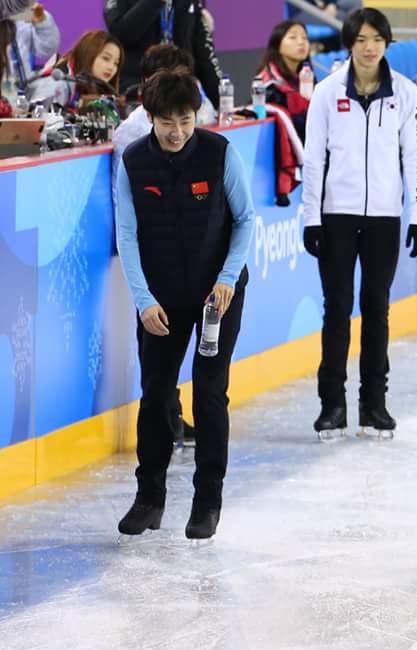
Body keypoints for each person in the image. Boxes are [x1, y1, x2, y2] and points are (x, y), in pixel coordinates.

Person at [114, 68, 253, 539]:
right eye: (167, 122)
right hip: (161, 298)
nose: (177, 132)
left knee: (209, 394)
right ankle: (148, 498)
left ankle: (206, 501)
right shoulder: (134, 161)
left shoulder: (220, 153)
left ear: (197, 116)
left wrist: (227, 279)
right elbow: (127, 234)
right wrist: (143, 300)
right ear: (150, 117)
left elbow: (246, 219)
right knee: (156, 394)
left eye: (186, 121)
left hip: (218, 295)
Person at [302, 8, 417, 440]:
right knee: (337, 309)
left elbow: (415, 157)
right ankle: (332, 406)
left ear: (387, 43)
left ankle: (374, 405)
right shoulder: (326, 92)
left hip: (384, 220)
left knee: (376, 309)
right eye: (361, 40)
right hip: (336, 217)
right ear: (350, 45)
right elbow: (313, 159)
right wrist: (312, 217)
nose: (369, 47)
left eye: (377, 39)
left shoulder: (405, 93)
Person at [112, 44, 209, 451]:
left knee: (172, 344)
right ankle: (164, 416)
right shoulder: (132, 133)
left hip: (184, 252)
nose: (177, 129)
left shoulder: (194, 128)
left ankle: (173, 412)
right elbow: (126, 204)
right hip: (150, 250)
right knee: (155, 344)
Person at [104, 0, 223, 109]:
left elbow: (204, 54)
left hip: (181, 91)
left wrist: (221, 103)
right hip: (135, 93)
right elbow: (120, 32)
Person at [30, 30, 123, 109]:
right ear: (88, 54)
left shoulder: (100, 90)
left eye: (116, 63)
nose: (111, 67)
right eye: (106, 58)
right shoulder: (58, 82)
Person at [255, 20, 312, 142]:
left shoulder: (307, 76)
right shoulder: (269, 84)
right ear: (277, 45)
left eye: (305, 38)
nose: (301, 42)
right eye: (293, 37)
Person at [0, 2, 58, 97]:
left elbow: (46, 49)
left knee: (54, 87)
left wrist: (42, 23)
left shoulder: (23, 18)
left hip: (21, 90)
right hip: (6, 89)